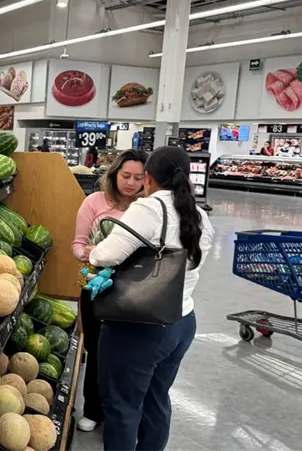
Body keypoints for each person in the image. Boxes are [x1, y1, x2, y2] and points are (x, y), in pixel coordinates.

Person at [89, 146, 214, 451]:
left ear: (148, 178)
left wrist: (94, 251)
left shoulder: (149, 209)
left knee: (122, 407)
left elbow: (106, 254)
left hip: (140, 325)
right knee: (157, 400)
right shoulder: (199, 217)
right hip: (182, 322)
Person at [72, 148, 148, 432]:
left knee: (127, 351)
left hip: (133, 288)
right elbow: (77, 245)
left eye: (138, 178)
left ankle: (122, 414)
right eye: (125, 175)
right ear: (114, 173)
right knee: (96, 348)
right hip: (92, 284)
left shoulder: (147, 208)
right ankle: (93, 409)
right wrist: (90, 253)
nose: (131, 183)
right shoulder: (93, 202)